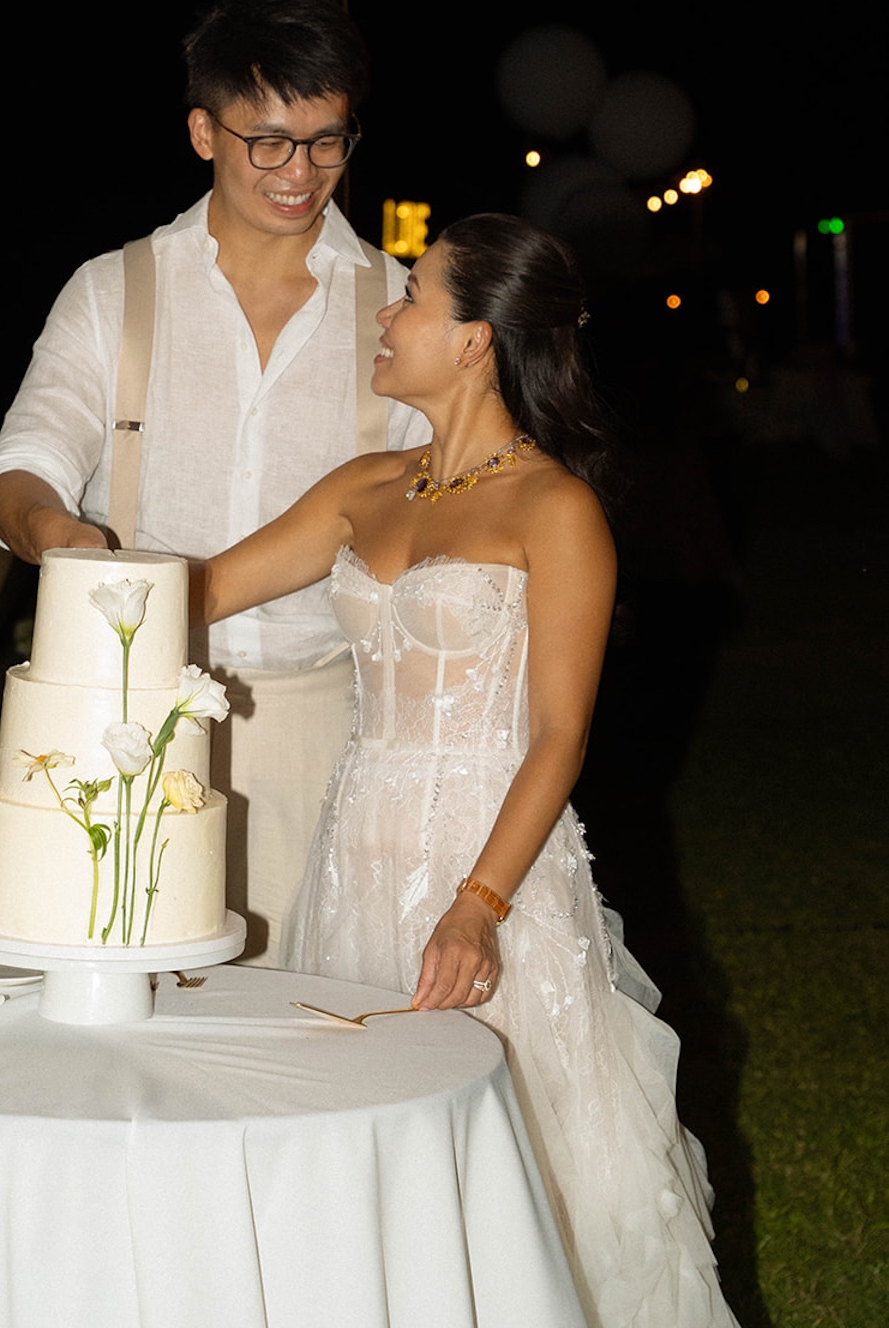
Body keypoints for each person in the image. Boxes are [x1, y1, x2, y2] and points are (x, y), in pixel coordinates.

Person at [200, 214, 739, 1328]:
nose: (383, 317)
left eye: (407, 298)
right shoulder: (363, 487)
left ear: (476, 340)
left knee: (521, 1174)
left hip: (489, 872)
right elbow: (198, 594)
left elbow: (558, 734)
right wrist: (71, 558)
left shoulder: (555, 508)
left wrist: (477, 905)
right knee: (368, 1163)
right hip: (354, 863)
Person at [0, 0, 427, 964]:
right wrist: (55, 536)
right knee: (126, 998)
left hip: (326, 721)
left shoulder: (400, 302)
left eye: (325, 140)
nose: (298, 171)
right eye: (265, 139)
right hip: (125, 716)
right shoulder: (113, 288)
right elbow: (26, 461)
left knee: (304, 1027)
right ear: (201, 132)